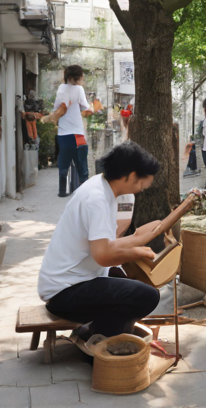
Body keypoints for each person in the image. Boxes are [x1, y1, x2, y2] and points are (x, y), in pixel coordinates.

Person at [38, 141, 161, 340]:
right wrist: (137, 251)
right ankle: (96, 342)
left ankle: (95, 333)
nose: (141, 188)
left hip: (71, 281)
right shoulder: (97, 199)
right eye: (141, 182)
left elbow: (105, 245)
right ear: (129, 175)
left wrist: (138, 239)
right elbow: (103, 255)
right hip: (64, 292)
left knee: (131, 285)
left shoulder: (102, 187)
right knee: (147, 296)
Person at [54, 65, 93, 197]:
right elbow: (85, 108)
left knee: (63, 164)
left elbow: (56, 108)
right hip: (77, 133)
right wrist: (93, 108)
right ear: (77, 78)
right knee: (82, 164)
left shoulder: (61, 89)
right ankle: (83, 193)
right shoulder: (79, 89)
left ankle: (62, 191)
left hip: (63, 134)